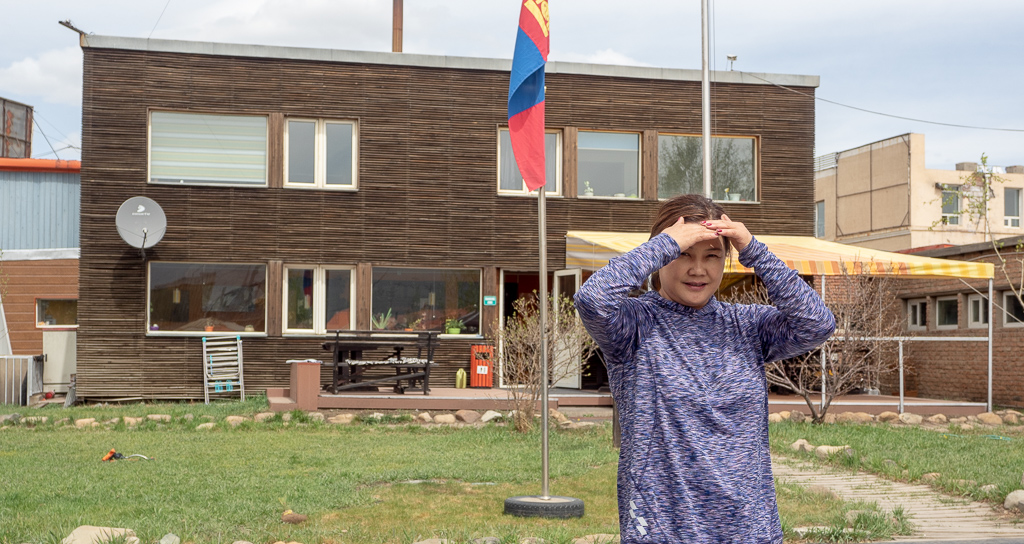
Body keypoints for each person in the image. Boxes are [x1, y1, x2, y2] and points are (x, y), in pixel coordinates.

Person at [574, 194, 835, 543]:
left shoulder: (748, 325)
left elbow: (817, 323)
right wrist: (665, 243)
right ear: (661, 256)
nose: (698, 269)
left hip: (751, 528)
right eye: (684, 254)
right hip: (663, 530)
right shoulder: (633, 325)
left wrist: (754, 250)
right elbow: (592, 299)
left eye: (712, 256)